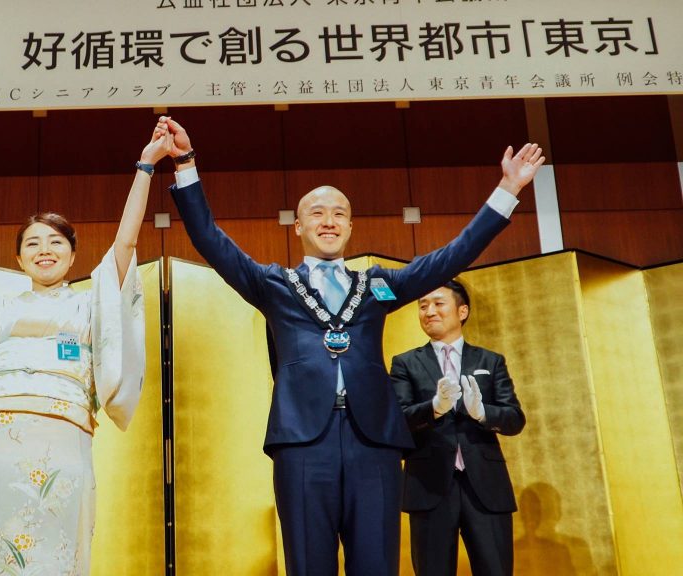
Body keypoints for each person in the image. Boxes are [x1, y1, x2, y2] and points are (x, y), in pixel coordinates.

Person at [160, 116, 543, 576]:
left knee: (377, 564)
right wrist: (185, 163)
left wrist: (508, 190)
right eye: (318, 213)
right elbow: (209, 238)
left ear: (350, 226)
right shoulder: (274, 285)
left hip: (374, 442)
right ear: (297, 226)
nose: (329, 221)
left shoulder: (377, 284)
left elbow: (452, 255)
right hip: (303, 443)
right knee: (309, 564)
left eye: (339, 213)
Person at [0, 124, 171, 575]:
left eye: (56, 242)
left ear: (73, 255)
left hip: (64, 436)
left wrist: (146, 167)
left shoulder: (89, 305)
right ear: (19, 259)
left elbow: (126, 242)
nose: (45, 250)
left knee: (54, 549)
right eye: (33, 244)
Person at [390, 280, 525, 576]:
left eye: (438, 304)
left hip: (486, 486)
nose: (429, 311)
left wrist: (482, 412)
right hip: (428, 486)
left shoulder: (490, 360)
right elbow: (396, 420)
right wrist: (434, 407)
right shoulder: (405, 363)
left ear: (462, 311)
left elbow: (515, 418)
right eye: (423, 306)